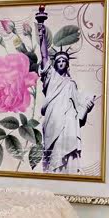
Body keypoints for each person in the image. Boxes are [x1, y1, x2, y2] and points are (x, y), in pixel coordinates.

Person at [36, 7, 96, 173]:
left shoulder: (71, 84)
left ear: (67, 64)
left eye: (64, 61)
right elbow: (44, 56)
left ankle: (66, 173)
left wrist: (87, 104)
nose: (61, 63)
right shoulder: (51, 77)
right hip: (53, 118)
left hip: (68, 120)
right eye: (59, 61)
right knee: (52, 151)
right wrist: (41, 28)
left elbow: (79, 105)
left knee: (67, 150)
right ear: (55, 64)